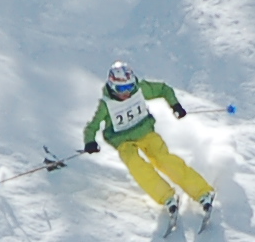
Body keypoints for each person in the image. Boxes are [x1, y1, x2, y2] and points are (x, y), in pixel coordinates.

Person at [82, 61, 214, 223]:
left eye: (130, 86)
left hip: (146, 132)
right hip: (123, 140)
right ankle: (167, 197)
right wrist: (90, 142)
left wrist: (175, 105)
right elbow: (92, 127)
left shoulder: (139, 89)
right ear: (112, 86)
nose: (127, 93)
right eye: (122, 89)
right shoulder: (106, 105)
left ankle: (202, 192)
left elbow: (164, 89)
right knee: (136, 165)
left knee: (164, 159)